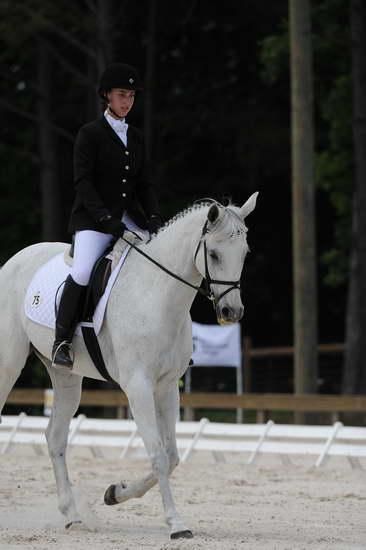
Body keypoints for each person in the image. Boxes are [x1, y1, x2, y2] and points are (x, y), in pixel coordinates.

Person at [52, 62, 163, 369]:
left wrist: (153, 218)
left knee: (161, 263)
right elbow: (83, 182)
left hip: (128, 219)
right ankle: (61, 340)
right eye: (121, 94)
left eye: (131, 95)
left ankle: (166, 342)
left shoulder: (136, 137)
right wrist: (105, 219)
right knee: (85, 270)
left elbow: (144, 183)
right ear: (107, 96)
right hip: (93, 220)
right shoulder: (90, 134)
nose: (127, 101)